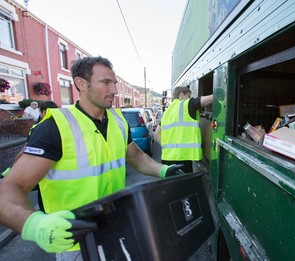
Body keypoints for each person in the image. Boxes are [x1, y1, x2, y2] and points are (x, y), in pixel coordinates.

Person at [0, 56, 182, 260]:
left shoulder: (118, 120)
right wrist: (35, 225)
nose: (114, 90)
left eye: (114, 83)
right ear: (81, 84)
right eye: (106, 83)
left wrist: (164, 170)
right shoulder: (55, 127)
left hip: (117, 229)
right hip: (77, 243)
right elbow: (9, 189)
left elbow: (137, 156)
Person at [155, 86, 213, 173]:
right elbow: (209, 99)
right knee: (183, 186)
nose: (189, 99)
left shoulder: (168, 111)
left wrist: (167, 147)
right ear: (181, 95)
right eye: (188, 96)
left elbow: (157, 133)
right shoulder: (186, 104)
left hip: (167, 159)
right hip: (181, 161)